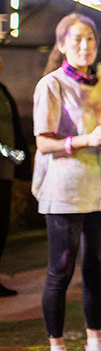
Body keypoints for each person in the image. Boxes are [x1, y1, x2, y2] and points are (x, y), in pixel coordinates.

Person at [32, 13, 101, 351]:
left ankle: (95, 347)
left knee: (95, 272)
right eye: (77, 41)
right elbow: (44, 143)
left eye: (90, 39)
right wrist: (86, 140)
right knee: (60, 271)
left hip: (100, 191)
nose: (86, 46)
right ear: (62, 46)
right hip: (64, 193)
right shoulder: (51, 85)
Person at [0, 56, 32, 296]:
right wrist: (10, 153)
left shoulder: (3, 90)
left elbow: (14, 128)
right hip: (5, 164)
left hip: (5, 172)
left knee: (1, 226)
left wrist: (19, 162)